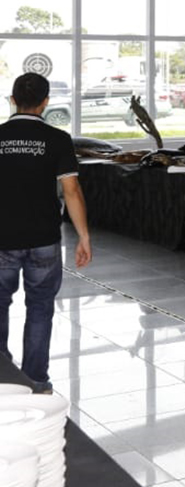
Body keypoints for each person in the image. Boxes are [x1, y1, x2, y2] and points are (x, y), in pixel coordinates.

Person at [0, 73, 92, 393]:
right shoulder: (57, 139)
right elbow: (72, 191)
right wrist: (84, 236)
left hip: (2, 240)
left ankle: (3, 378)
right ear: (46, 102)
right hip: (43, 240)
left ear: (12, 100)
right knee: (40, 309)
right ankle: (36, 380)